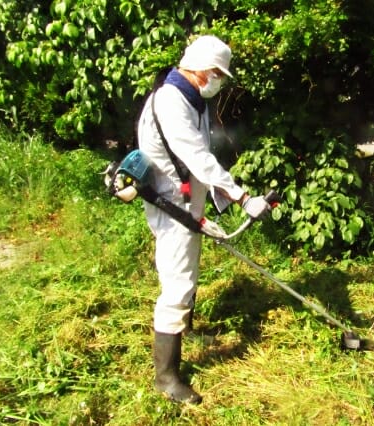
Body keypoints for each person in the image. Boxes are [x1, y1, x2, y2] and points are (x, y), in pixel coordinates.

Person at [136, 35, 271, 404]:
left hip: (187, 199)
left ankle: (187, 328)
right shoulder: (171, 101)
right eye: (218, 74)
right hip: (170, 204)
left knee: (189, 269)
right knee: (178, 282)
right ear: (203, 69)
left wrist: (211, 200)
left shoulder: (190, 98)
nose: (220, 81)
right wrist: (242, 197)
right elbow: (197, 157)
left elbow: (200, 157)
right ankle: (166, 377)